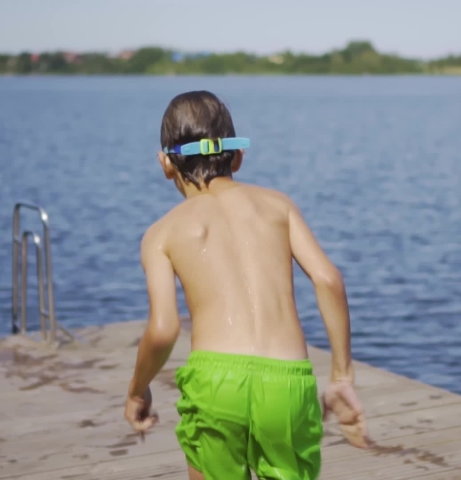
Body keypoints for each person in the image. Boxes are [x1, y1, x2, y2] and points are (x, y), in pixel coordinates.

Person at [123, 90, 369, 480]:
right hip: (286, 381)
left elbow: (164, 328)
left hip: (215, 381)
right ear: (238, 156)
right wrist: (341, 375)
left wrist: (138, 390)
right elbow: (328, 280)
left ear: (166, 164)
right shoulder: (278, 206)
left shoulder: (162, 233)